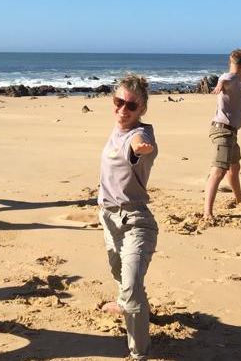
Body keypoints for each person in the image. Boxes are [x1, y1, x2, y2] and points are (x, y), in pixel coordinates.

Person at [98, 73, 158, 361]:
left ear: (142, 109)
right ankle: (126, 302)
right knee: (120, 275)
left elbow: (139, 144)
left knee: (132, 287)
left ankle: (139, 353)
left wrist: (140, 150)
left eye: (131, 106)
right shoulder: (116, 129)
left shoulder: (140, 135)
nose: (123, 110)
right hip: (108, 219)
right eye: (118, 101)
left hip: (136, 222)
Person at [203, 48, 241, 220]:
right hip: (223, 131)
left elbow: (235, 77)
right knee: (218, 170)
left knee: (235, 166)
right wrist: (219, 84)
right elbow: (226, 78)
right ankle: (207, 212)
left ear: (231, 63)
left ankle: (239, 199)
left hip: (230, 132)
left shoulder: (237, 78)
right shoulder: (230, 78)